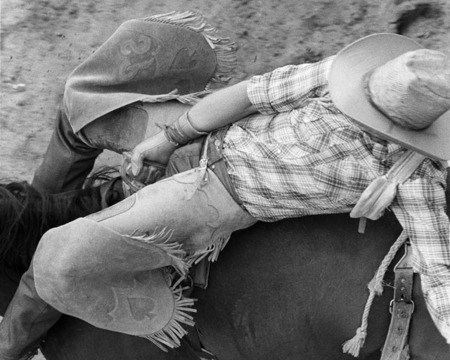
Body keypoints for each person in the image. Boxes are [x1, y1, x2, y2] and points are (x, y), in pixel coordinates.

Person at [1, 10, 449, 360]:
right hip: (203, 138)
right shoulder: (336, 79)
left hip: (211, 194)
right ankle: (43, 204)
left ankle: (9, 345)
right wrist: (168, 138)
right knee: (78, 108)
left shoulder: (412, 183)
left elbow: (438, 269)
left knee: (56, 260)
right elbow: (250, 94)